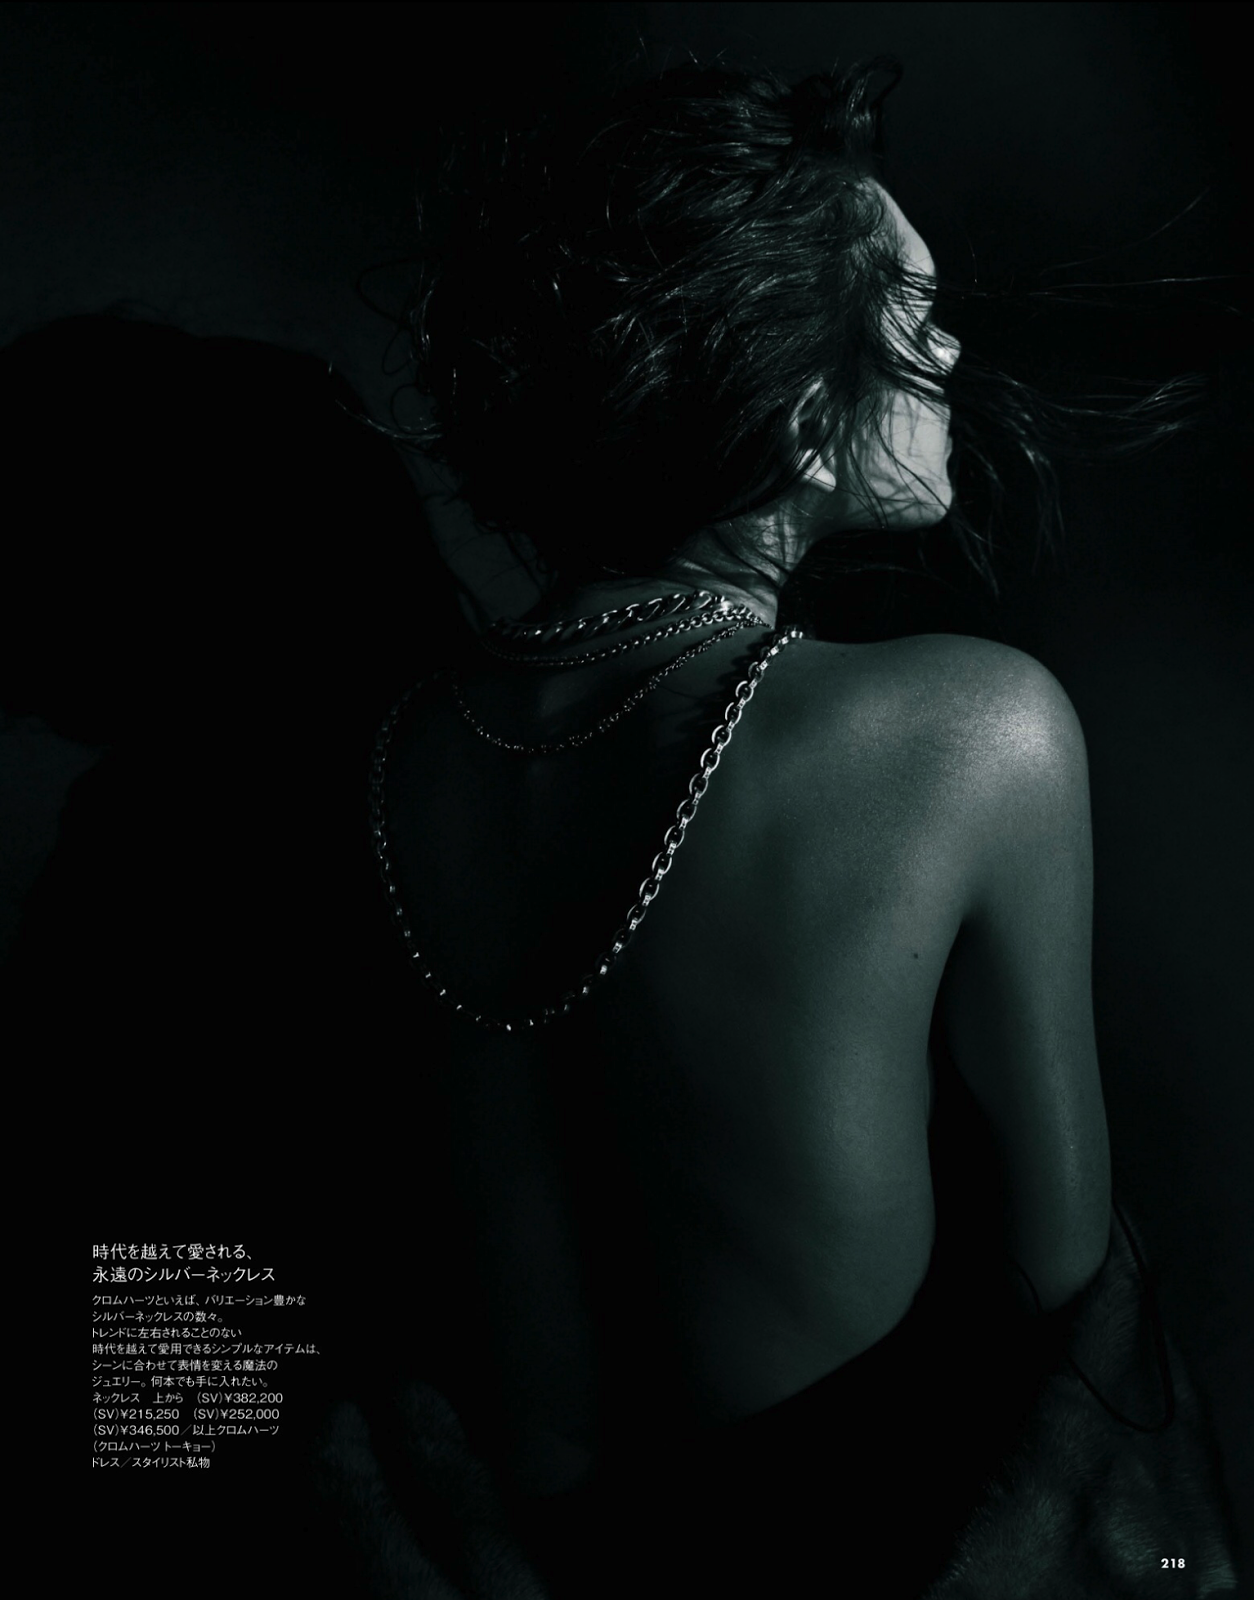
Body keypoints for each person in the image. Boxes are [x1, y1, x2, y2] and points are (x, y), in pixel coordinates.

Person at [324, 59, 1238, 1599]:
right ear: (808, 420)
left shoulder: (382, 752)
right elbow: (1064, 1294)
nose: (952, 353)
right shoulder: (967, 727)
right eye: (916, 315)